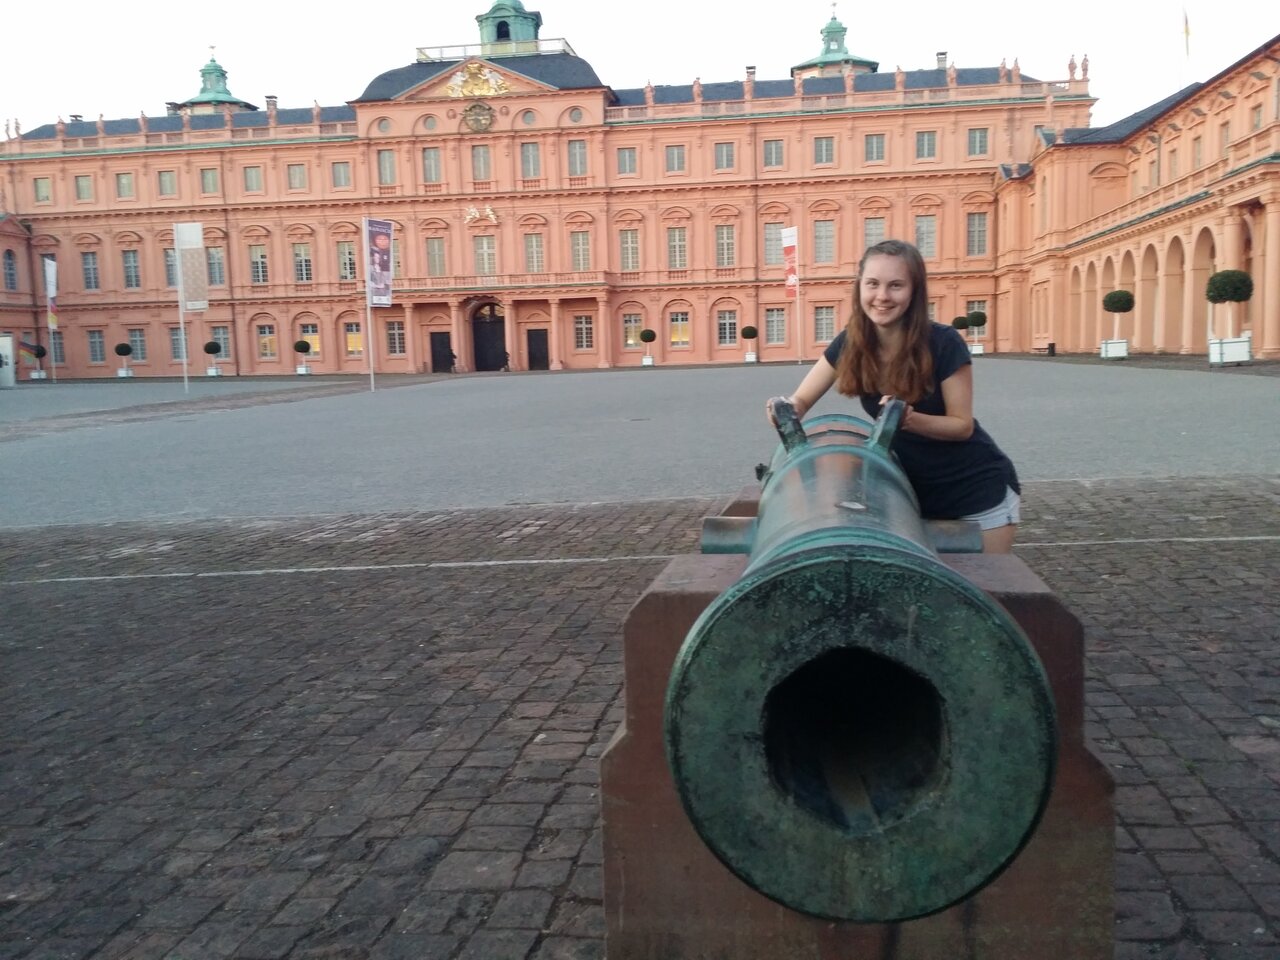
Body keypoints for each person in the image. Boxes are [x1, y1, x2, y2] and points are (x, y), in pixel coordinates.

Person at [767, 239, 1021, 553]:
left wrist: (910, 419)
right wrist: (787, 408)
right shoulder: (852, 342)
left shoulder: (944, 343)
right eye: (873, 284)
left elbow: (961, 425)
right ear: (860, 286)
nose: (882, 296)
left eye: (896, 285)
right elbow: (802, 400)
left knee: (986, 581)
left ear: (914, 291)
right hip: (914, 499)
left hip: (975, 493)